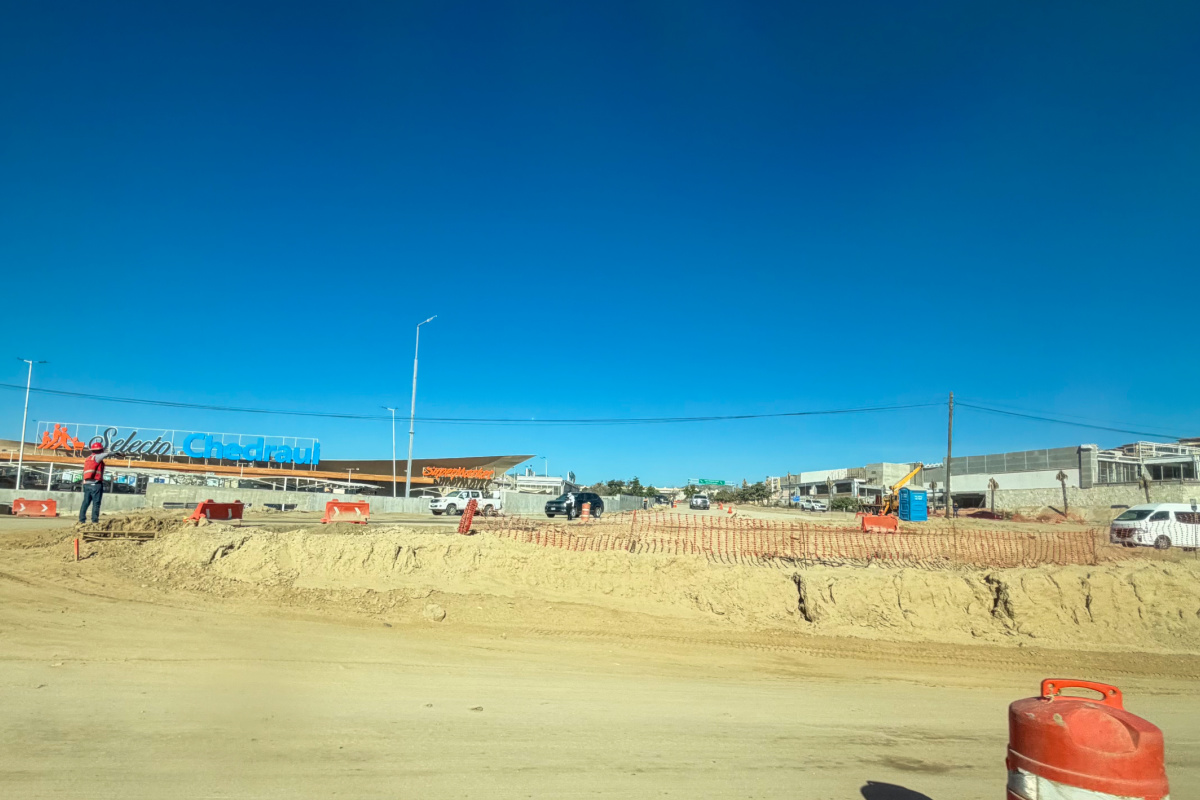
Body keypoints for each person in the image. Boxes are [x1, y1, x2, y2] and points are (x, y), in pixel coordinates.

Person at [79, 442, 112, 524]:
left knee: (85, 502)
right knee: (96, 503)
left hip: (87, 483)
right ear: (100, 450)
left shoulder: (88, 458)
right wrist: (116, 453)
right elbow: (107, 454)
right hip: (96, 483)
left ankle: (81, 520)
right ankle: (94, 521)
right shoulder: (97, 457)